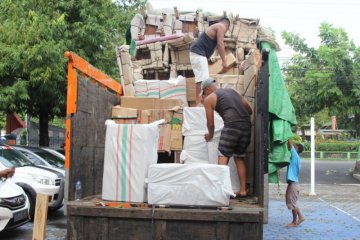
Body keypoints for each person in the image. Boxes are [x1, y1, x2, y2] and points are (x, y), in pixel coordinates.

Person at [202, 77, 252, 197]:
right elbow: (249, 109)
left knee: (223, 156)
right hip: (246, 126)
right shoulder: (233, 91)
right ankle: (243, 190)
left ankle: (220, 192)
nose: (204, 95)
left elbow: (210, 123)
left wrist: (210, 135)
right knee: (239, 157)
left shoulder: (209, 99)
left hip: (232, 126)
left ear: (208, 89)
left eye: (203, 92)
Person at [190, 17, 230, 105]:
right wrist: (224, 61)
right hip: (198, 53)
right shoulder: (221, 26)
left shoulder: (215, 27)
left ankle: (201, 101)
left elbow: (213, 45)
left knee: (202, 79)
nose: (225, 32)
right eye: (227, 29)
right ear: (226, 25)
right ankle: (199, 103)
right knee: (203, 80)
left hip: (197, 53)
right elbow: (220, 44)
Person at [285, 140, 305, 227]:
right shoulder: (295, 157)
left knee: (292, 204)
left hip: (294, 184)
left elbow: (290, 143)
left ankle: (294, 221)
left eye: (294, 147)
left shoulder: (295, 156)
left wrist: (287, 134)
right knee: (291, 202)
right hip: (293, 183)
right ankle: (300, 217)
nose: (292, 148)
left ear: (297, 149)